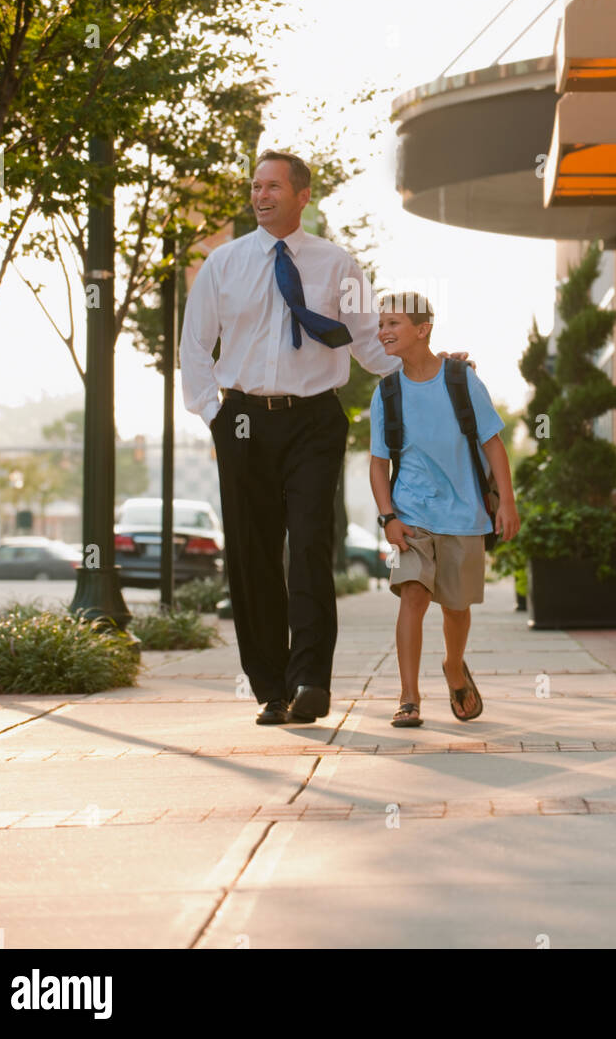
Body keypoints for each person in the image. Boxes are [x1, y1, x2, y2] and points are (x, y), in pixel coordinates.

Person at [179, 150, 470, 727]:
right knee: (252, 554)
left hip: (314, 418)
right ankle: (270, 686)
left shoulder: (337, 264)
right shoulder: (223, 264)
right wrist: (214, 414)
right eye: (256, 187)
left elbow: (367, 342)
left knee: (311, 544)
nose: (261, 196)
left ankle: (311, 680)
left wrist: (432, 366)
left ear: (302, 195)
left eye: (273, 187)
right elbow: (195, 347)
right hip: (241, 421)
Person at [368, 292, 520, 729]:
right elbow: (378, 464)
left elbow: (493, 443)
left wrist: (506, 502)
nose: (383, 332)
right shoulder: (387, 392)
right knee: (412, 596)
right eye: (381, 324)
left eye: (393, 323)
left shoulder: (461, 380)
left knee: (455, 607)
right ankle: (409, 697)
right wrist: (388, 517)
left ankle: (454, 667)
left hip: (464, 513)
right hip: (411, 511)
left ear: (423, 329)